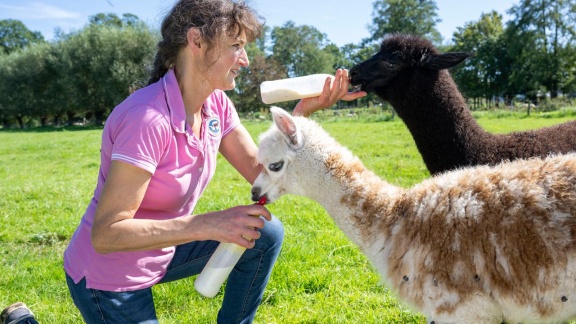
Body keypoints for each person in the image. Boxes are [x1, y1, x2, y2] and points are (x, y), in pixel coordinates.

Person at [63, 0, 366, 323]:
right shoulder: (147, 119)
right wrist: (208, 224)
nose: (246, 60)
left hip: (162, 249)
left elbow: (263, 175)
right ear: (197, 42)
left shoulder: (216, 106)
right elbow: (107, 234)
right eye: (236, 46)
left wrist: (300, 117)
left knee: (264, 234)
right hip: (110, 275)